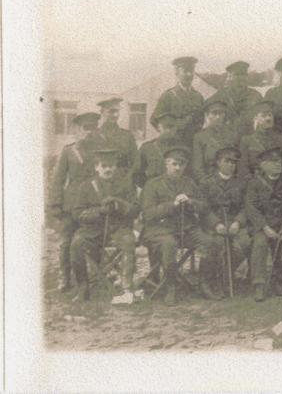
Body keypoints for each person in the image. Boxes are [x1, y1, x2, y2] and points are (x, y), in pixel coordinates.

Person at [141, 145, 220, 305]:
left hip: (186, 228)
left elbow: (204, 206)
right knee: (169, 244)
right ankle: (171, 286)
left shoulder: (189, 183)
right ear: (166, 163)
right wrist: (173, 204)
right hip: (160, 230)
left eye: (182, 164)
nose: (178, 168)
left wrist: (190, 202)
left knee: (211, 243)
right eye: (174, 164)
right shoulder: (153, 184)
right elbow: (148, 214)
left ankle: (204, 283)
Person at [69, 149, 138, 302]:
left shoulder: (125, 184)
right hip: (92, 230)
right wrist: (99, 211)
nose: (108, 169)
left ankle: (127, 288)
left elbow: (135, 210)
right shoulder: (86, 186)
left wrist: (119, 204)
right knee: (76, 244)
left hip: (118, 228)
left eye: (111, 166)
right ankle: (83, 287)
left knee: (128, 241)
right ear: (96, 167)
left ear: (116, 167)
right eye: (104, 166)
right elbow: (77, 213)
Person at [48, 112, 101, 292]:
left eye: (93, 128)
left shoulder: (100, 151)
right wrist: (55, 204)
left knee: (94, 239)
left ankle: (96, 277)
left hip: (93, 203)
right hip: (71, 205)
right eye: (86, 128)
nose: (90, 132)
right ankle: (65, 278)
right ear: (77, 130)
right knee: (66, 242)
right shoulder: (68, 151)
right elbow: (58, 180)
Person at [244, 146, 282, 301]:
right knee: (260, 244)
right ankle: (259, 285)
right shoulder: (254, 184)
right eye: (273, 161)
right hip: (263, 227)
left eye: (279, 161)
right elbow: (251, 208)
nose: (278, 164)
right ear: (263, 165)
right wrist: (265, 227)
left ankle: (280, 279)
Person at [199, 146, 251, 298]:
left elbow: (245, 207)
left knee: (245, 243)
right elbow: (204, 208)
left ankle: (224, 277)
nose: (231, 165)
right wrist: (216, 224)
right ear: (218, 163)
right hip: (214, 224)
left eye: (234, 162)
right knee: (216, 244)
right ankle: (207, 281)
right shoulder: (207, 183)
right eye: (227, 161)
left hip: (234, 224)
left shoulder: (241, 183)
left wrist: (238, 222)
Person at [150, 56, 205, 146]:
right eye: (185, 71)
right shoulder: (168, 96)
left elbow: (201, 121)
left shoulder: (198, 97)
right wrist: (167, 133)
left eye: (191, 71)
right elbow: (154, 120)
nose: (189, 74)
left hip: (193, 145)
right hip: (173, 145)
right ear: (177, 72)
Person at [209, 61, 263, 143]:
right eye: (237, 74)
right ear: (230, 77)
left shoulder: (256, 96)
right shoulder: (220, 95)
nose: (241, 78)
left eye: (244, 74)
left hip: (249, 140)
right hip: (226, 141)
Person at [238, 100, 282, 179]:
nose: (268, 118)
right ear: (256, 118)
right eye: (263, 116)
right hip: (254, 183)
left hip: (277, 182)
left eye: (270, 115)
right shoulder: (247, 140)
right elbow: (242, 166)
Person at [192, 99, 238, 184]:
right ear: (207, 115)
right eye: (214, 113)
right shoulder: (200, 137)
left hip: (231, 180)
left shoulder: (232, 135)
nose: (218, 117)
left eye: (221, 113)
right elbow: (198, 167)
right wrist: (205, 182)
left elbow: (237, 162)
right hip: (209, 181)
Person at [132, 110, 181, 189]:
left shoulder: (182, 148)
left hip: (175, 191)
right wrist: (148, 187)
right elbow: (136, 174)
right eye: (165, 127)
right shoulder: (147, 148)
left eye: (172, 127)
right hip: (153, 192)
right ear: (158, 127)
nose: (168, 130)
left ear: (176, 128)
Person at [95, 98, 138, 182]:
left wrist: (127, 180)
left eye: (117, 111)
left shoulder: (127, 136)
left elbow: (135, 163)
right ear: (102, 112)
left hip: (122, 183)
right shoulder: (94, 135)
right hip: (99, 185)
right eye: (111, 111)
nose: (115, 115)